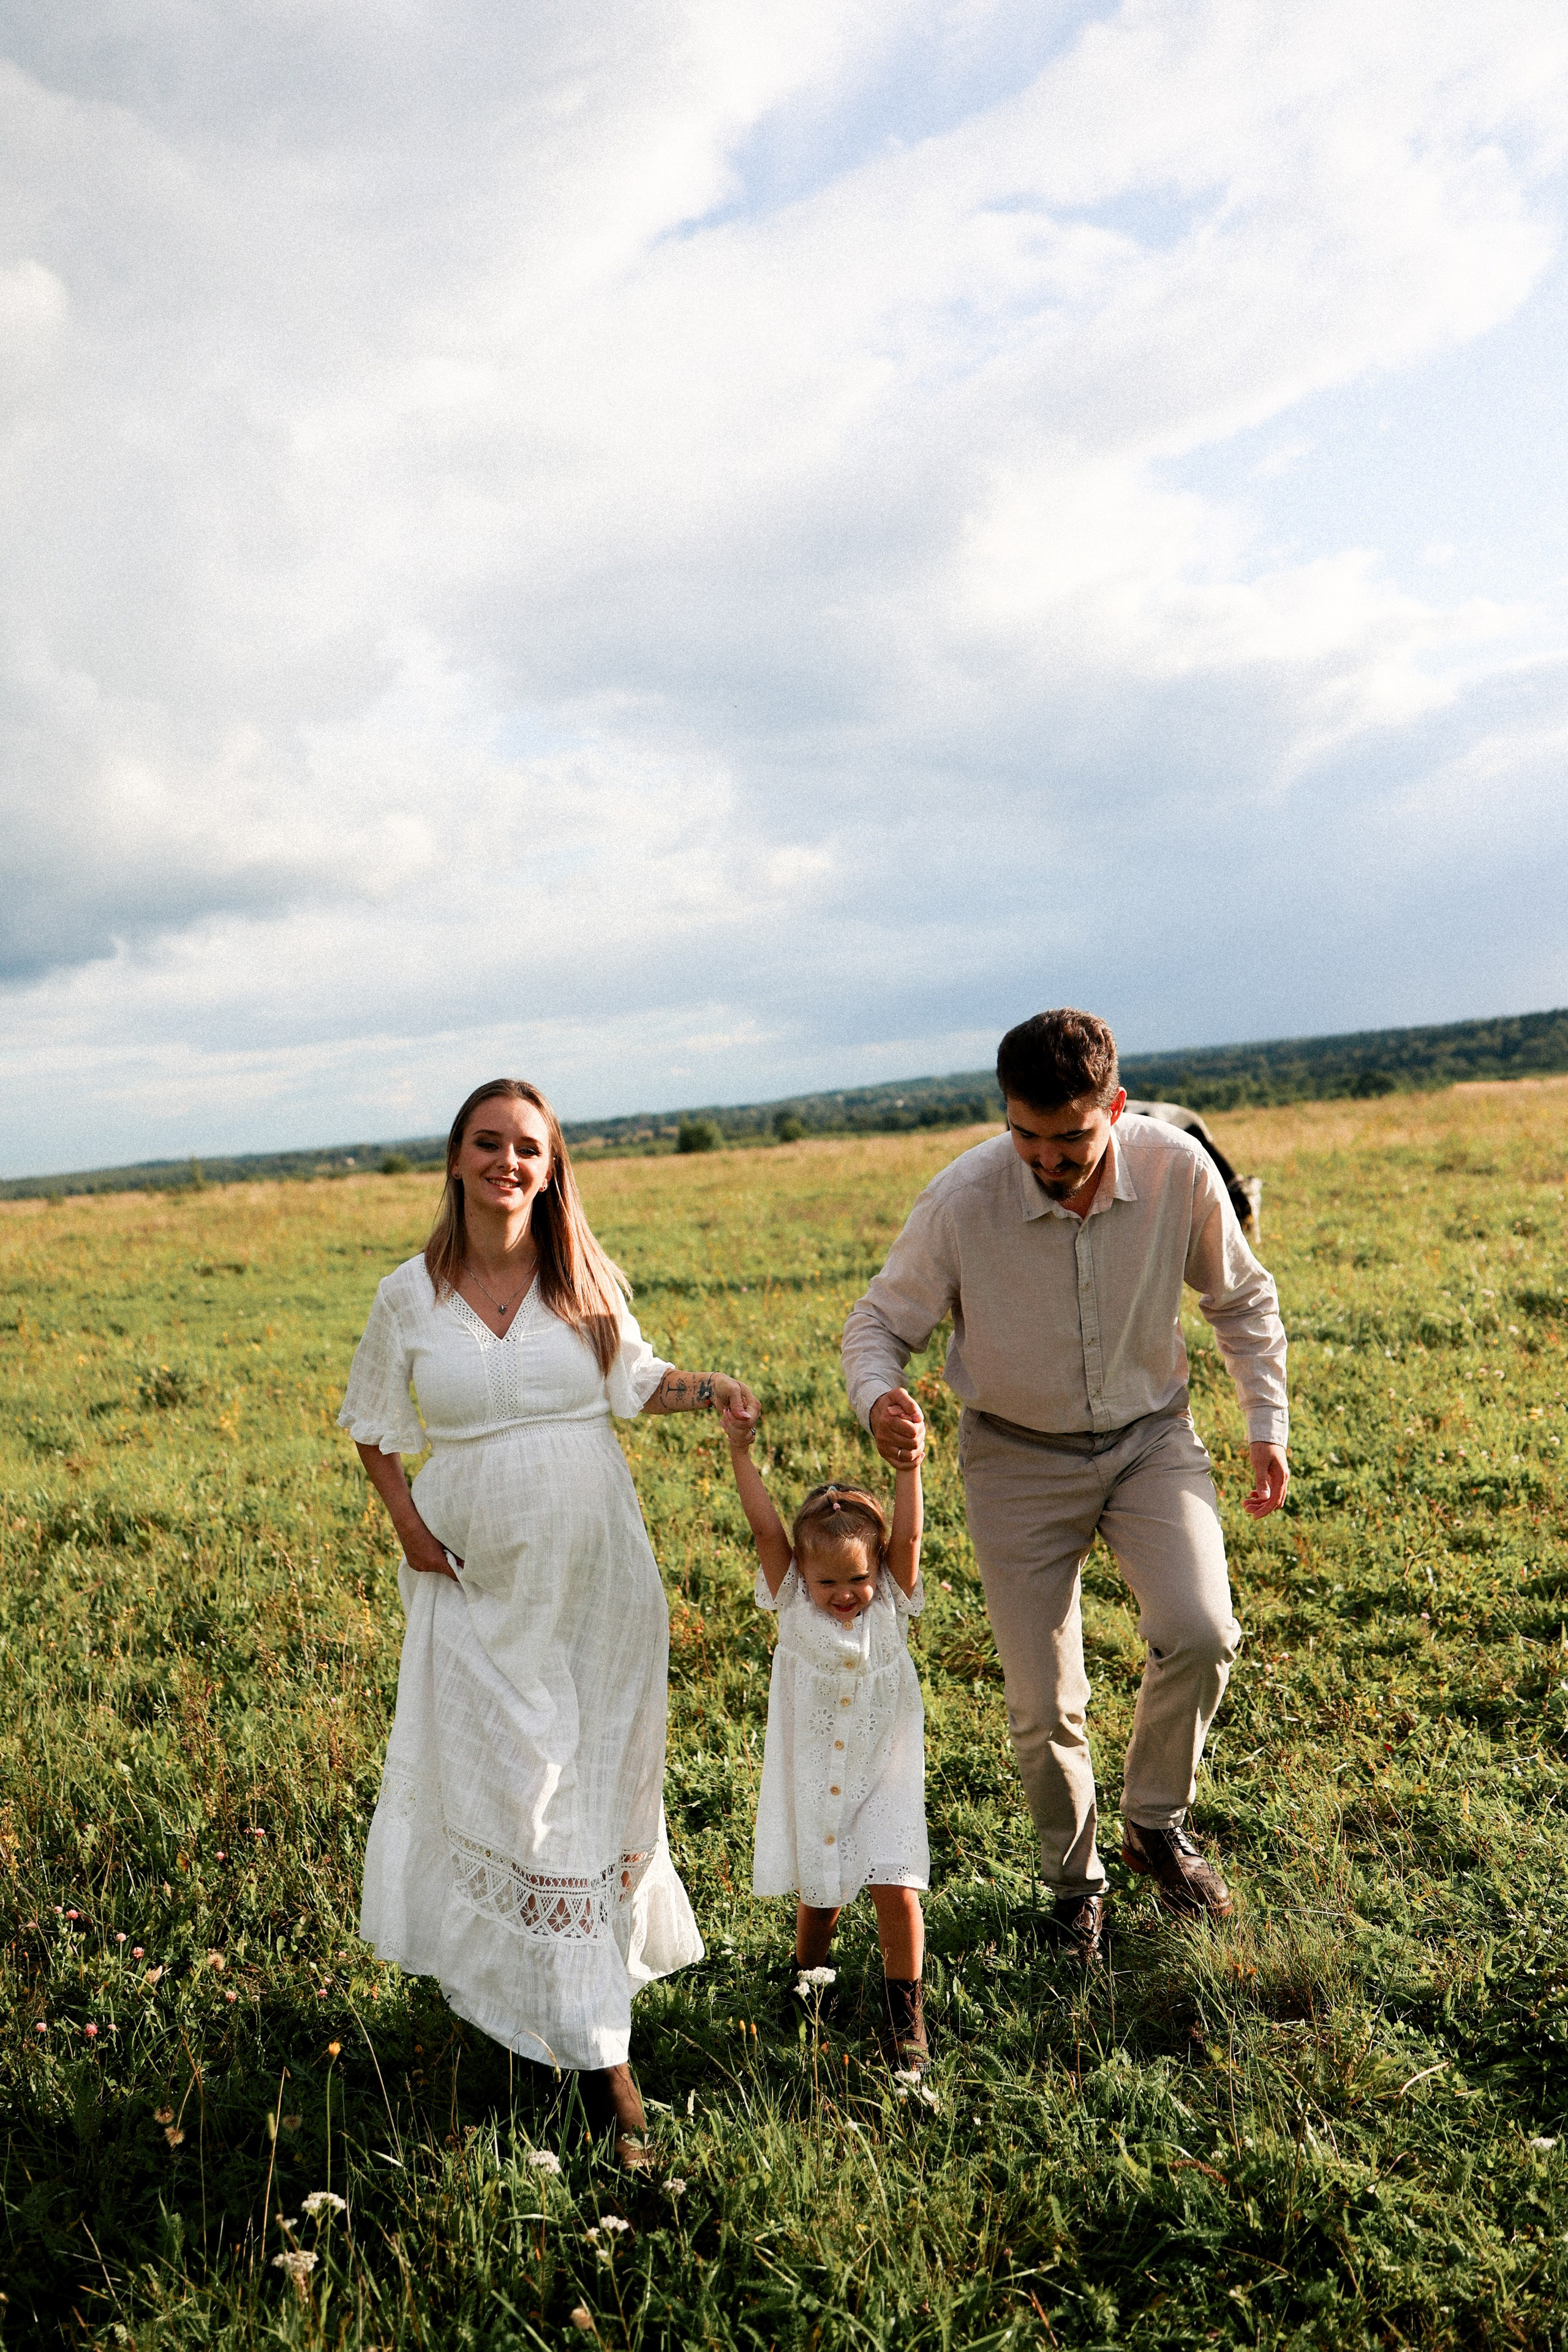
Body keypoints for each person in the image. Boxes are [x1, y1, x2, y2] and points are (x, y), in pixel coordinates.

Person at [339, 1078, 760, 2166]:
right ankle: (574, 2048)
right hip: (476, 1585)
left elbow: (639, 1383)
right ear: (456, 1157)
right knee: (514, 1789)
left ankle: (586, 2049)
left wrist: (712, 1389)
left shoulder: (580, 1277)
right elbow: (373, 1426)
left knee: (590, 1791)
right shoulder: (409, 1295)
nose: (507, 1163)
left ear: (552, 1162)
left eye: (527, 1147)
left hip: (599, 1585)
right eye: (488, 1144)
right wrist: (407, 1529)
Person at [841, 1009, 1289, 1962]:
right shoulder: (963, 1200)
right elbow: (878, 1323)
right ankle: (1075, 1885)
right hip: (1015, 1457)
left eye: (1072, 1137)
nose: (1048, 1158)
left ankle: (1154, 1825)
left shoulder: (1177, 1169)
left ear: (1114, 1108)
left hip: (1149, 1439)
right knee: (1045, 1703)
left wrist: (1266, 1425)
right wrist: (879, 1395)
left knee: (1203, 1630)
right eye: (1027, 1136)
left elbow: (1241, 1298)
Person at [722, 1408, 931, 2070]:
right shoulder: (789, 1597)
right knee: (821, 1894)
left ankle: (907, 2019)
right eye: (829, 1583)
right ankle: (807, 1984)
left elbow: (913, 1533)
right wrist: (741, 1453)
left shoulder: (892, 1596)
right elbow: (762, 1524)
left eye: (858, 1579)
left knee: (896, 1887)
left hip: (885, 1769)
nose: (846, 1595)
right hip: (814, 1774)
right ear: (802, 1578)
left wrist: (909, 1470)